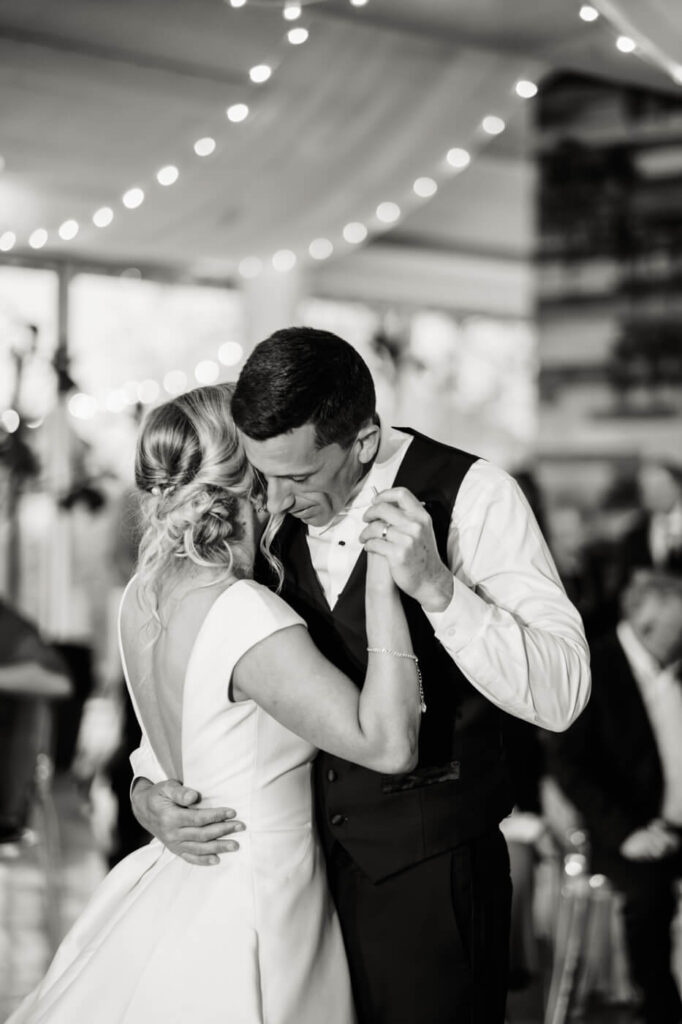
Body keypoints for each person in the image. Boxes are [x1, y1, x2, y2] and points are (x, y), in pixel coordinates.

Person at [131, 327, 591, 1024]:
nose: (274, 503)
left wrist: (439, 590)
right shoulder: (257, 507)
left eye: (298, 478)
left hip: (428, 883)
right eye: (263, 477)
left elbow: (563, 695)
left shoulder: (475, 497)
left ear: (365, 442)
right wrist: (147, 786)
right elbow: (206, 666)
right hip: (289, 890)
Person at [8, 383, 423, 1024]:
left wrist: (147, 792)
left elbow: (161, 746)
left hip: (187, 877)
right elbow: (389, 744)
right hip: (257, 897)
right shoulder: (244, 612)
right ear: (250, 475)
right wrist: (384, 587)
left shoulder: (143, 596)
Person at [547, 570, 682, 1024]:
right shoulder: (594, 669)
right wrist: (626, 833)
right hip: (623, 830)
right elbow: (569, 767)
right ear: (646, 625)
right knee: (649, 899)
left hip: (675, 827)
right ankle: (660, 1010)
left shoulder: (674, 667)